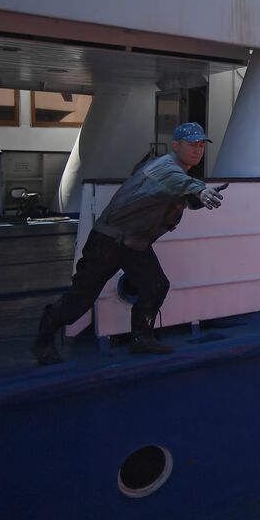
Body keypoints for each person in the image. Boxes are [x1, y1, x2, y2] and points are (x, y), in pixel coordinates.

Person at [32, 122, 225, 365]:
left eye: (200, 145)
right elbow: (178, 182)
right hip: (109, 241)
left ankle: (141, 339)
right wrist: (201, 189)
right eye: (191, 144)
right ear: (175, 145)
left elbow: (181, 195)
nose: (197, 150)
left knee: (156, 286)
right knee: (81, 299)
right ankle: (43, 339)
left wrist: (199, 197)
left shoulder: (172, 172)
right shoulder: (164, 167)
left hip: (134, 243)